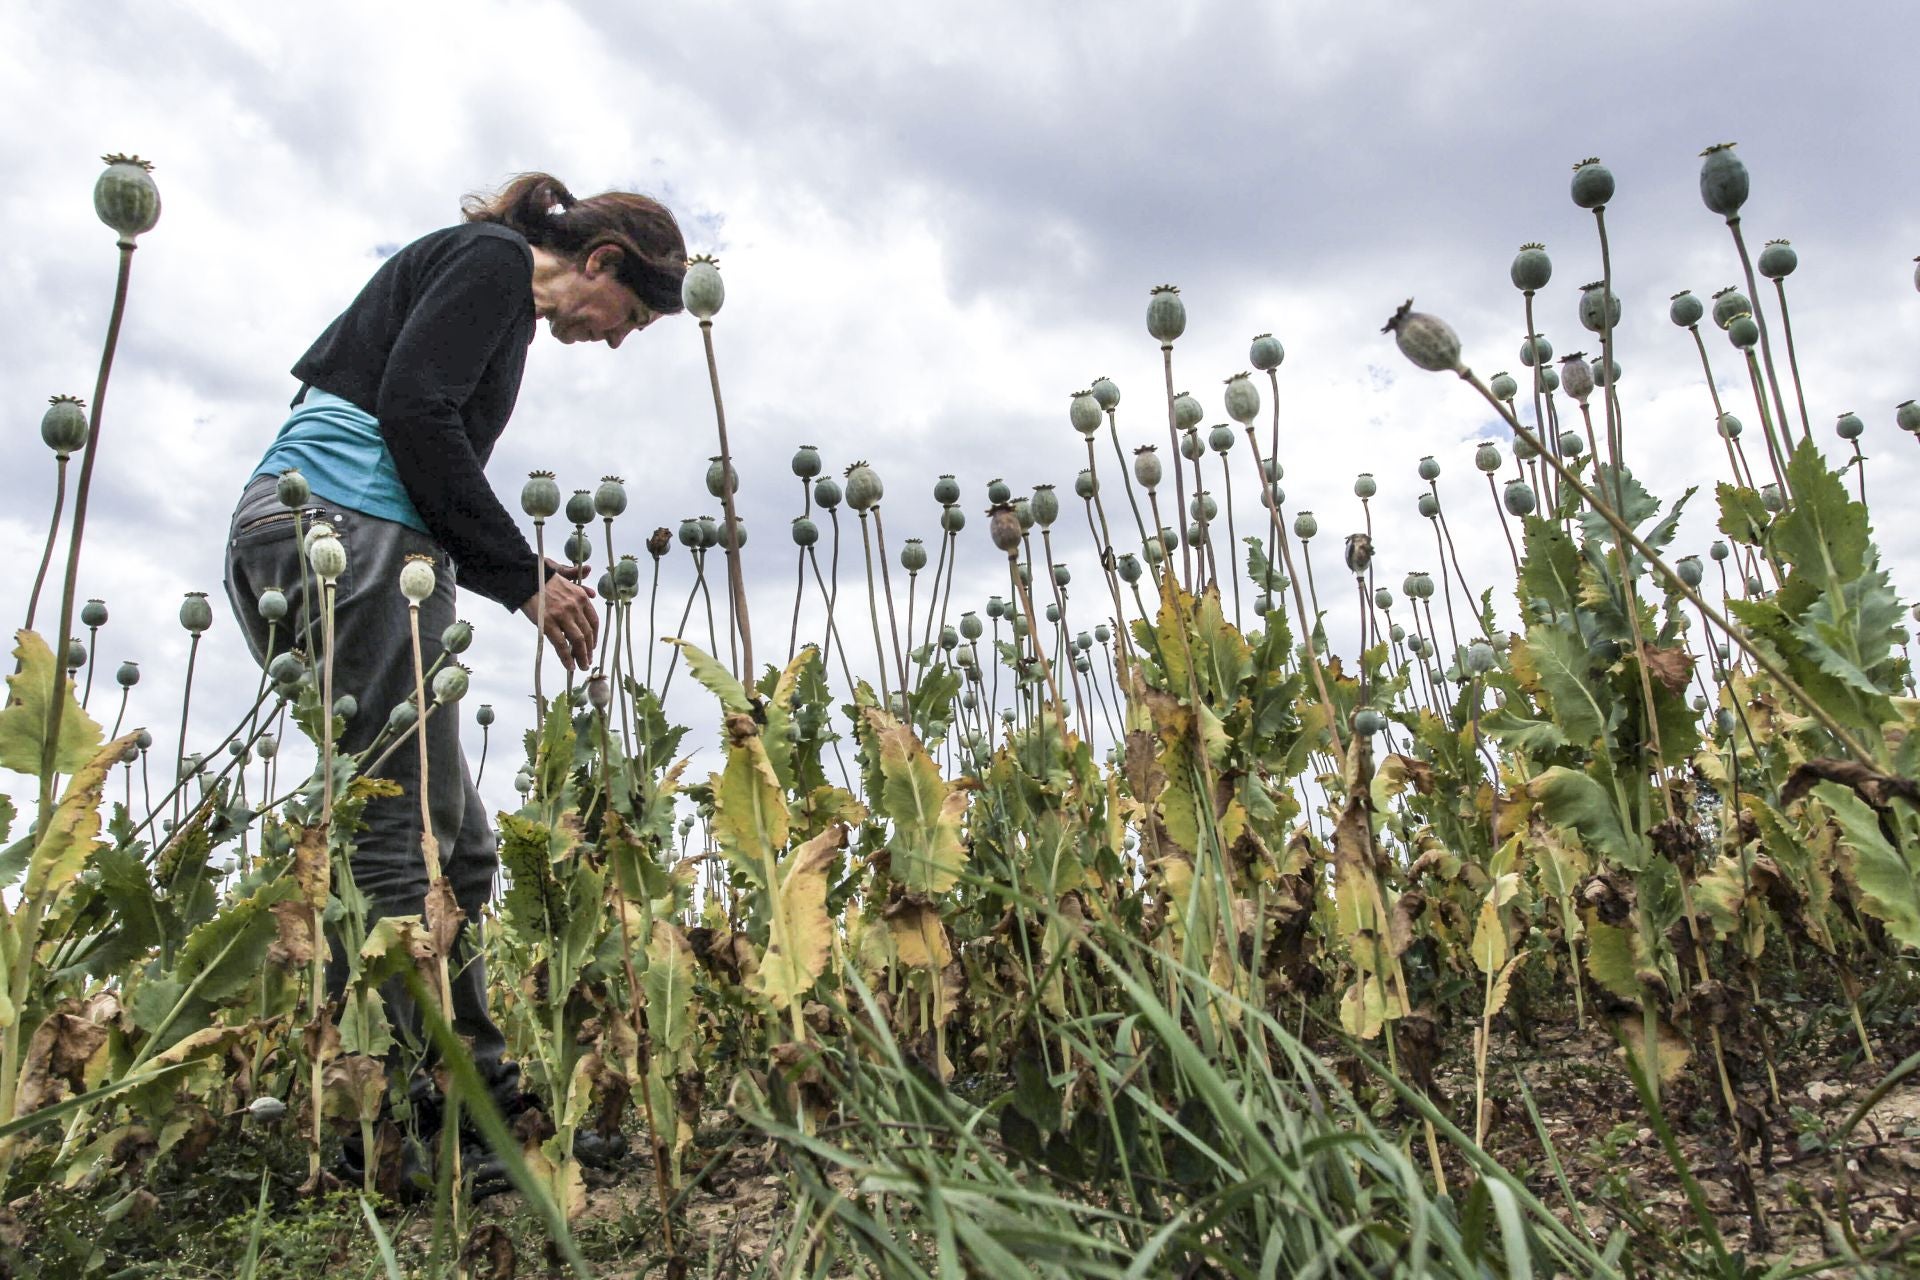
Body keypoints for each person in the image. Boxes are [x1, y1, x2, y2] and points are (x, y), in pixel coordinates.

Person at [221, 173, 685, 1184]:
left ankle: (425, 1099)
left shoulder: (485, 286)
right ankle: (418, 1116)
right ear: (601, 262)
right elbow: (415, 415)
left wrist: (516, 568)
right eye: (630, 317)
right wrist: (521, 581)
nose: (615, 337)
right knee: (408, 838)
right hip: (343, 528)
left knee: (457, 844)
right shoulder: (493, 265)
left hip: (323, 528)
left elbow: (417, 445)